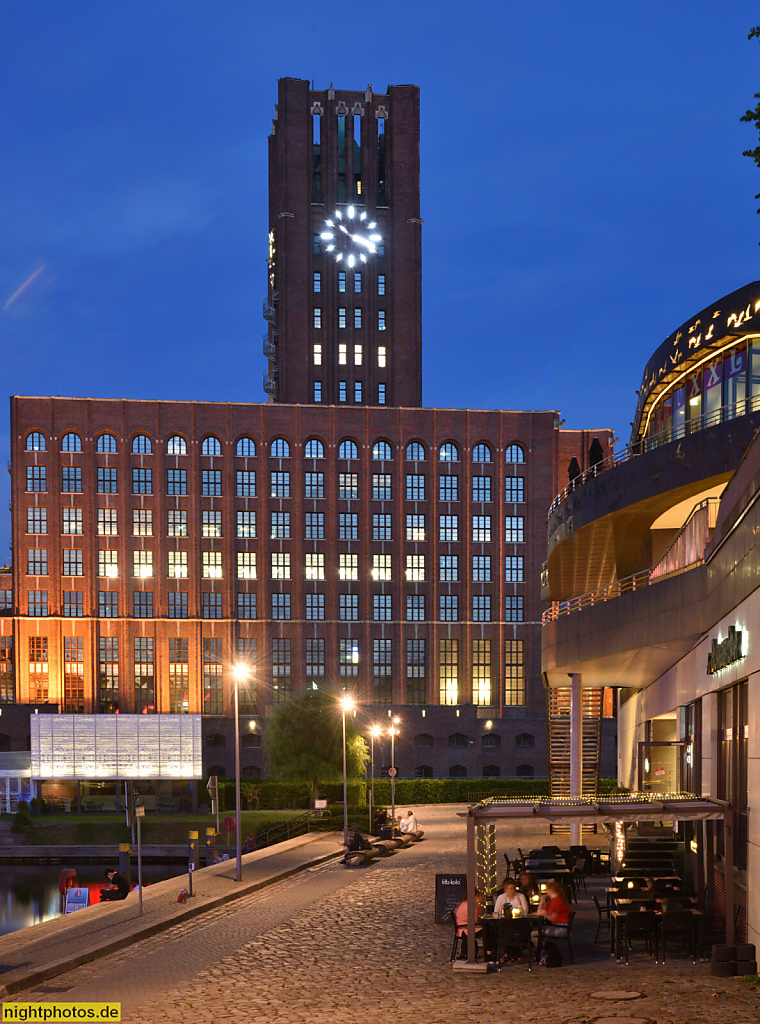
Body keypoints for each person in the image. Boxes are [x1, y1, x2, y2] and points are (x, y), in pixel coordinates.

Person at [453, 889, 484, 959]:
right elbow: (475, 920)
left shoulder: (463, 903)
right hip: (466, 929)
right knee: (488, 931)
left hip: (460, 928)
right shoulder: (472, 905)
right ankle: (489, 952)